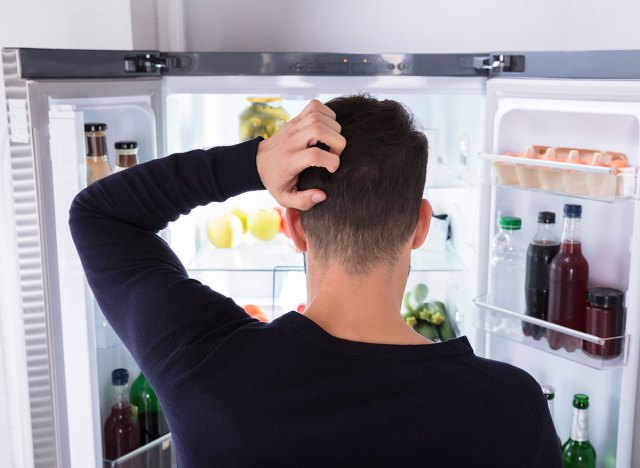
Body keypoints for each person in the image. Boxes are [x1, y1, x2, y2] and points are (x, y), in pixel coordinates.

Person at [70, 96, 561, 467]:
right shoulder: (511, 407)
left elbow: (100, 214)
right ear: (421, 226)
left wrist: (254, 163)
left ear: (293, 226)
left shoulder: (207, 370)